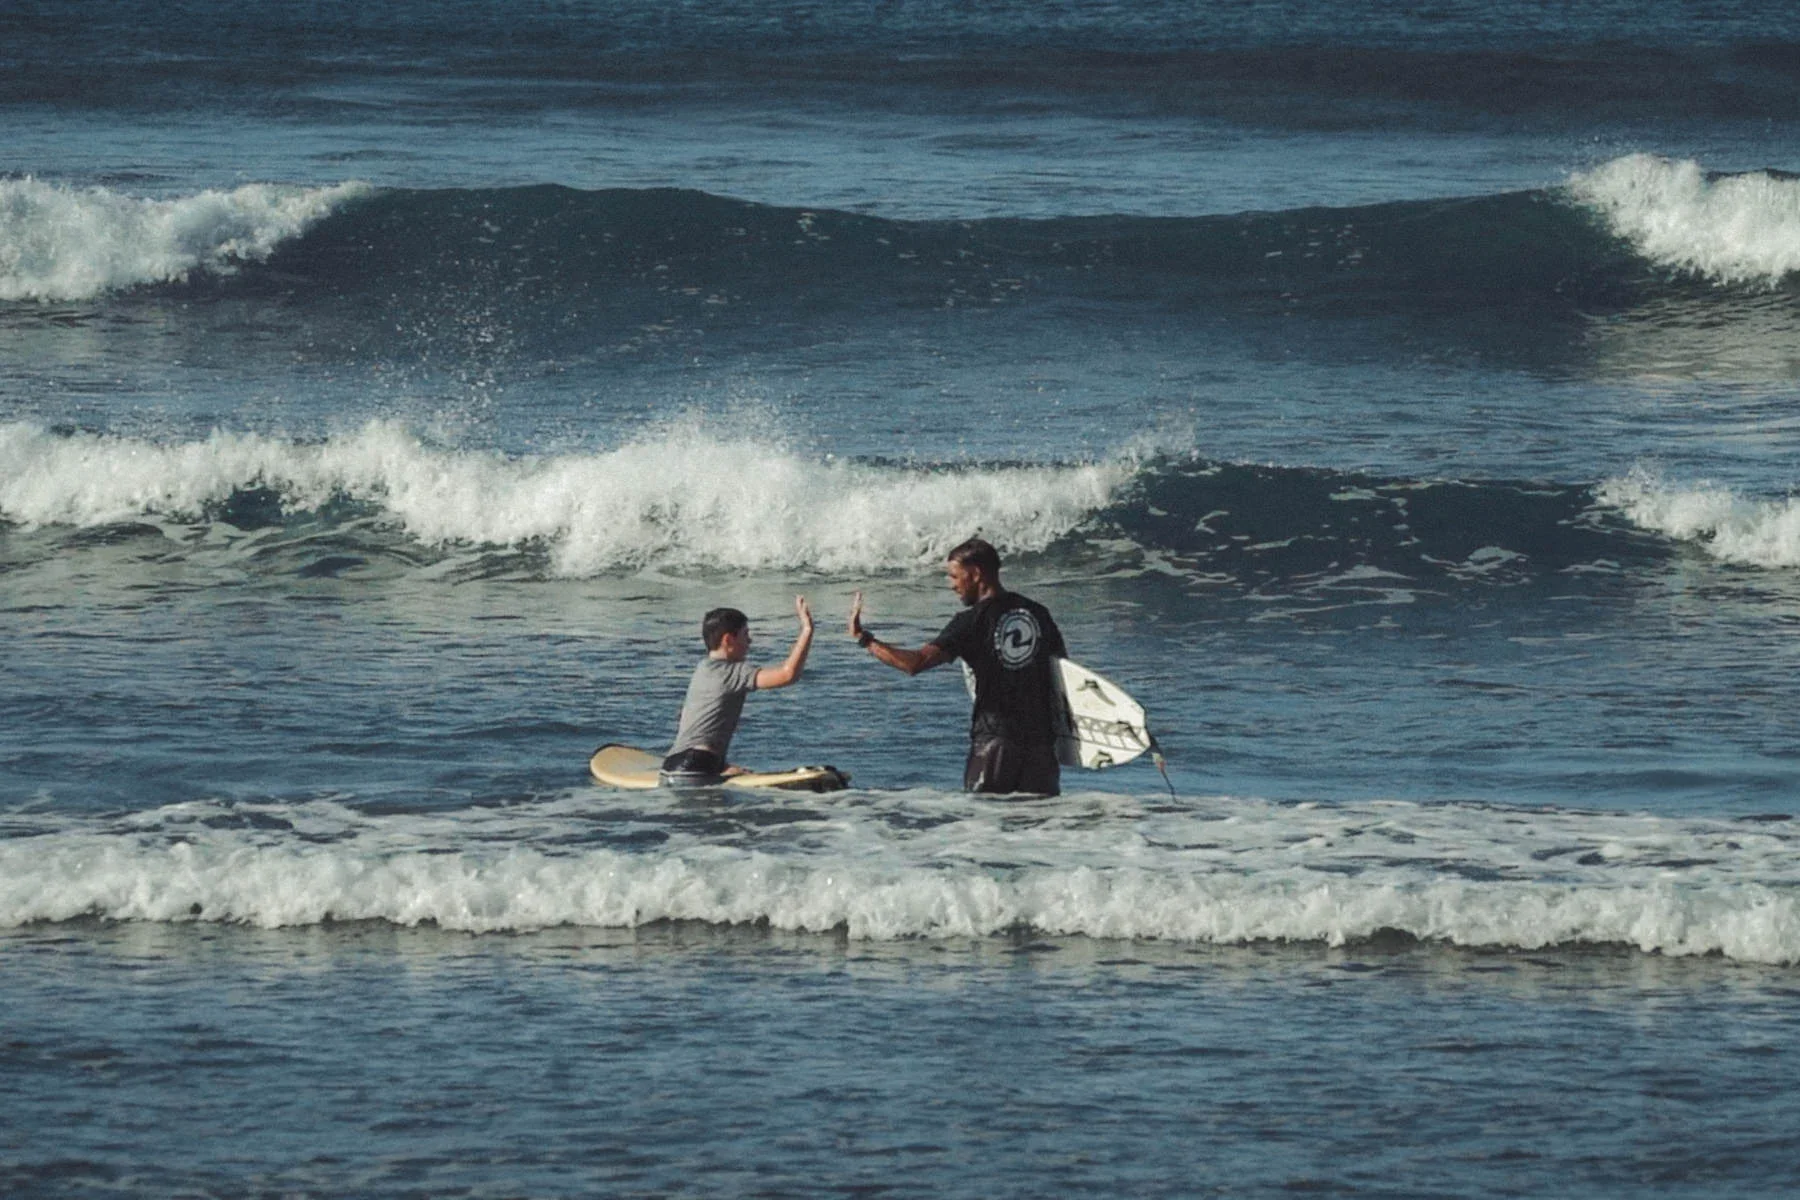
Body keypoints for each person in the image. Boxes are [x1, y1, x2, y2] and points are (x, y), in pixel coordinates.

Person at [849, 537, 1066, 796]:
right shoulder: (1038, 613)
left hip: (995, 742)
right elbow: (1062, 673)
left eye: (954, 576)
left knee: (983, 828)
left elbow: (915, 664)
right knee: (1042, 827)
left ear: (974, 574)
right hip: (1041, 746)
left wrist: (866, 640)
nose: (952, 585)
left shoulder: (971, 621)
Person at [662, 597, 814, 786]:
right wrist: (807, 630)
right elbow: (788, 675)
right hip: (697, 767)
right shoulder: (733, 672)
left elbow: (691, 720)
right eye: (745, 634)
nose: (749, 641)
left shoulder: (702, 669)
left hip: (672, 765)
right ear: (728, 639)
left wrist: (720, 766)